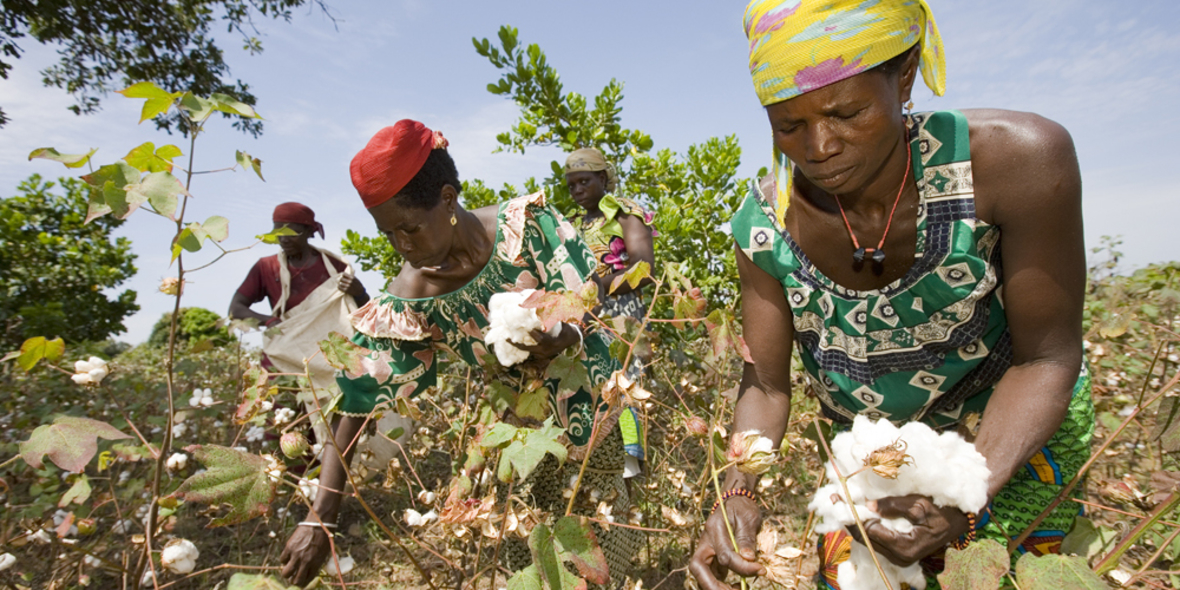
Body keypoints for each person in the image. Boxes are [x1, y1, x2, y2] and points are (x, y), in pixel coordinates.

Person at [690, 1, 1091, 589]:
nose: (819, 147)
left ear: (903, 76)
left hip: (1010, 444)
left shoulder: (1014, 162)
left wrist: (964, 487)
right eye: (789, 125)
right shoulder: (764, 225)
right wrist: (738, 490)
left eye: (847, 112)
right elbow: (768, 386)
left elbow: (1046, 359)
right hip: (872, 471)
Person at [278, 120, 642, 586]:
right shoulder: (412, 296)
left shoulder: (526, 227)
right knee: (535, 568)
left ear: (448, 200)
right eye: (390, 235)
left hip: (597, 420)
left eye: (410, 228)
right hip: (522, 446)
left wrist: (563, 335)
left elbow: (585, 297)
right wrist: (320, 514)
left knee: (603, 558)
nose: (404, 248)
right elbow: (358, 398)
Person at [230, 203, 372, 445]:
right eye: (277, 232)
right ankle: (287, 480)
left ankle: (327, 479)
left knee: (336, 420)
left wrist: (360, 292)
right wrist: (270, 321)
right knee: (282, 423)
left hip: (328, 358)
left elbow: (362, 312)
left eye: (290, 232)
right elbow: (236, 308)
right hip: (284, 357)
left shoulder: (333, 266)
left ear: (309, 232)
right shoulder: (266, 267)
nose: (283, 239)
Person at [564, 147, 656, 475]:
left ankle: (631, 472)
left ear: (603, 178)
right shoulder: (570, 223)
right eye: (571, 185)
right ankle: (597, 471)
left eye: (584, 181)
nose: (576, 190)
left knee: (623, 386)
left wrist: (598, 286)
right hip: (585, 316)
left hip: (621, 313)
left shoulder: (626, 213)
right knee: (590, 391)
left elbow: (644, 269)